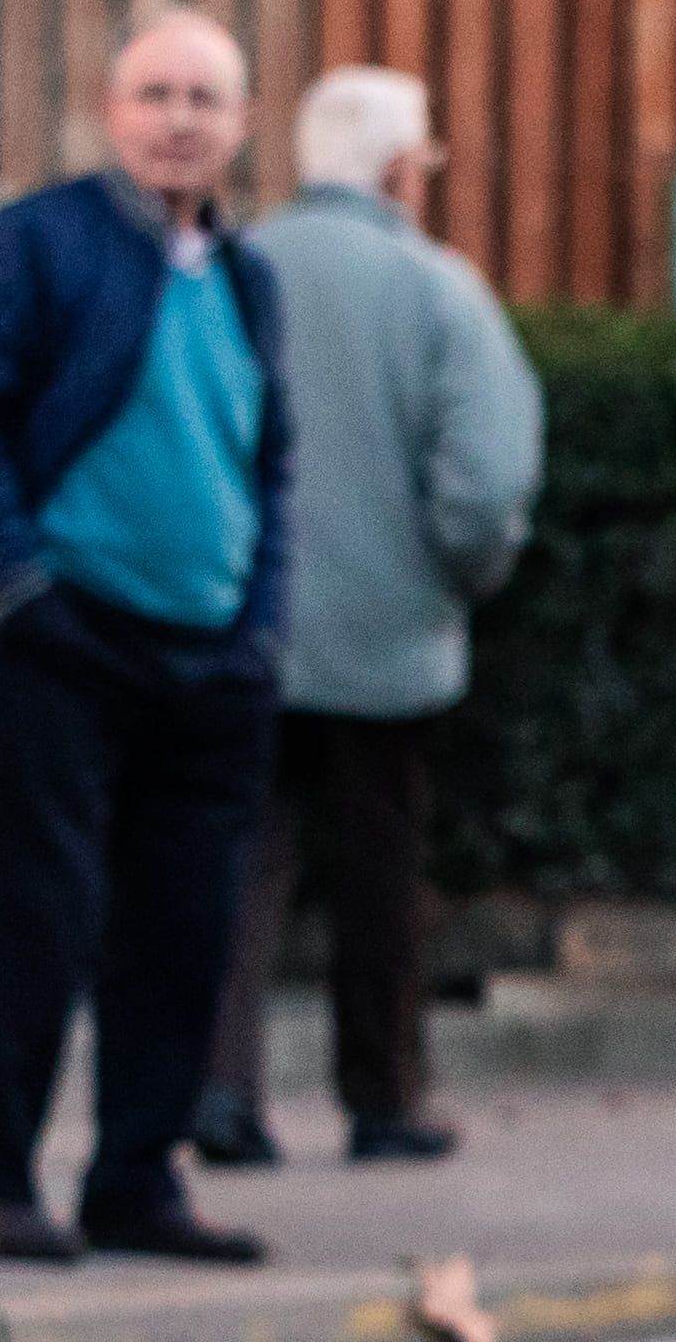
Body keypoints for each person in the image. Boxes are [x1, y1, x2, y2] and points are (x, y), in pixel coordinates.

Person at [0, 7, 297, 1267]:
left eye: (203, 99)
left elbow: (272, 464)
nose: (178, 119)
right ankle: (0, 1182)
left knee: (183, 932)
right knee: (32, 920)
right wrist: (17, 586)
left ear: (241, 125)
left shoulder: (247, 276)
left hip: (213, 660)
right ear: (112, 111)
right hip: (66, 645)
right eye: (155, 93)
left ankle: (138, 1180)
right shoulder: (38, 244)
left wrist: (262, 622)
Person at [183, 68, 539, 1173]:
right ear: (399, 170)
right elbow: (484, 485)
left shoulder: (229, 277)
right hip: (389, 642)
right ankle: (383, 1098)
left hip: (241, 623)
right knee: (382, 875)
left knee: (241, 863)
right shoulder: (439, 291)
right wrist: (451, 581)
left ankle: (219, 1093)